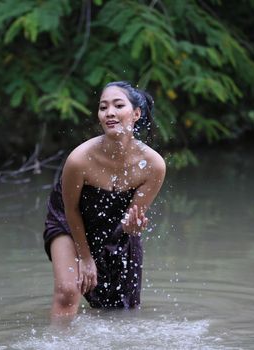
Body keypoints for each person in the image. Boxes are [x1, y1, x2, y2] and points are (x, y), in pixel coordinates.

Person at [43, 81, 166, 321]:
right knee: (69, 291)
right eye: (103, 107)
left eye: (118, 105)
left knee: (120, 307)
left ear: (136, 114)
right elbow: (71, 209)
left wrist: (133, 226)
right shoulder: (80, 159)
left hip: (112, 225)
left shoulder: (153, 165)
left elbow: (132, 217)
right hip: (69, 218)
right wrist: (85, 258)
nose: (109, 112)